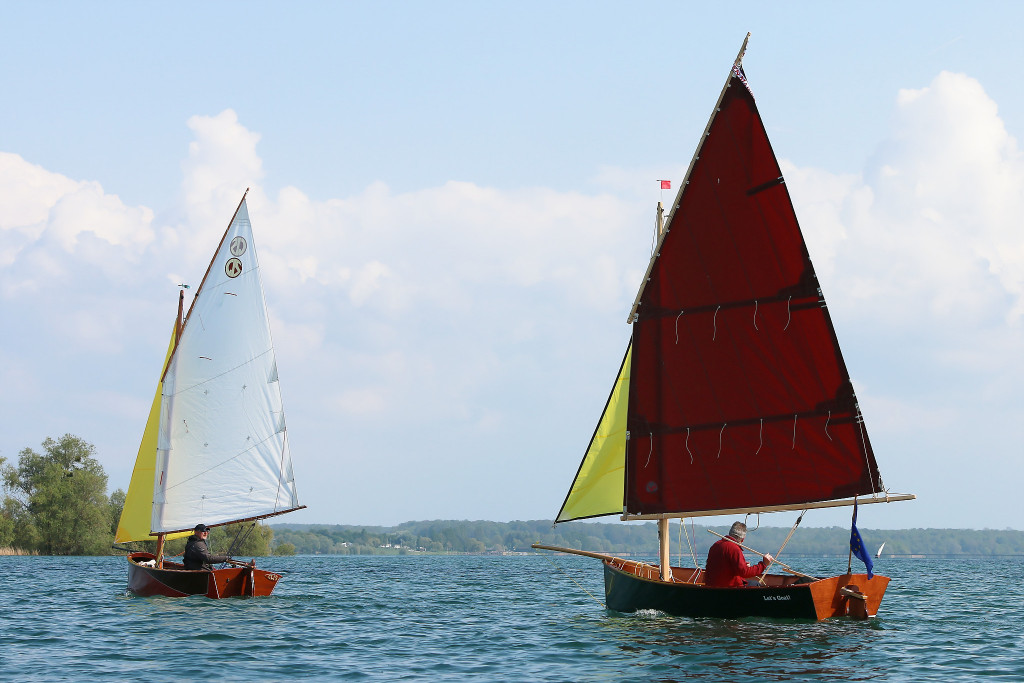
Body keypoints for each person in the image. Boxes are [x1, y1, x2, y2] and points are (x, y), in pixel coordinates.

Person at [704, 521, 773, 587]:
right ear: (742, 539)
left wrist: (742, 565)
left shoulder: (715, 545)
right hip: (728, 588)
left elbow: (722, 565)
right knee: (756, 583)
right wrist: (763, 564)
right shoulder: (734, 548)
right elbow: (744, 572)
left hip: (712, 586)